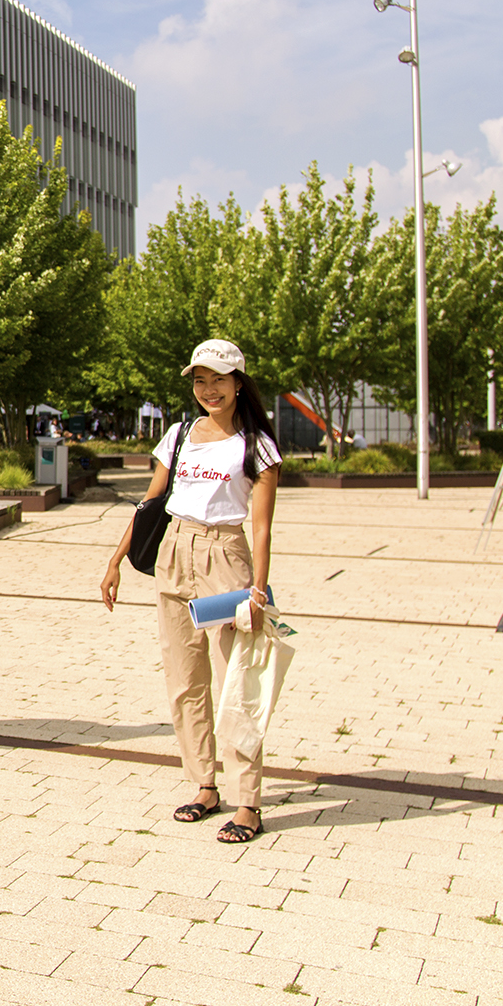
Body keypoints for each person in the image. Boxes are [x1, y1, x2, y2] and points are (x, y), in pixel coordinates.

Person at [100, 338, 281, 844]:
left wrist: (258, 592)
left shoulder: (257, 445)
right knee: (184, 681)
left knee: (234, 683)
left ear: (238, 383)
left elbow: (262, 528)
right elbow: (150, 503)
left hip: (225, 558)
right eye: (201, 381)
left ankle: (248, 803)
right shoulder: (179, 435)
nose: (209, 390)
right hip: (174, 552)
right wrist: (115, 560)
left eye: (219, 379)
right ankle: (205, 785)